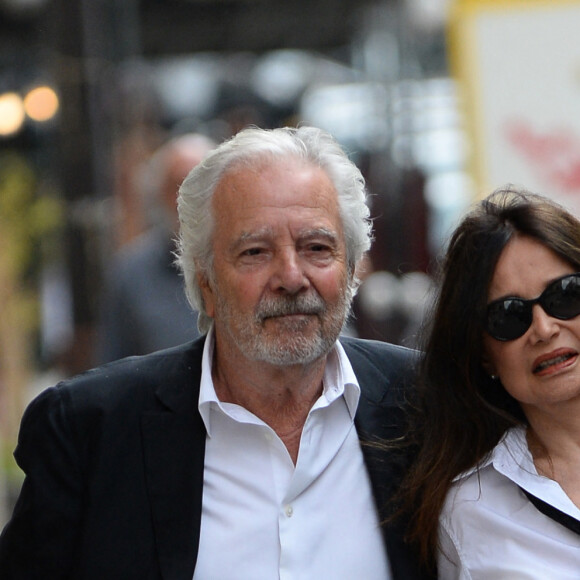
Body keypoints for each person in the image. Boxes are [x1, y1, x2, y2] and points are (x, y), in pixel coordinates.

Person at [0, 126, 428, 579]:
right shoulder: (93, 433)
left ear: (352, 268)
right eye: (255, 252)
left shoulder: (426, 405)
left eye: (317, 248)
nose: (291, 276)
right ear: (205, 282)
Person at [396, 186, 580, 578]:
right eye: (508, 316)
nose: (544, 329)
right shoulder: (470, 509)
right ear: (483, 353)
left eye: (565, 295)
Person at [95, 132, 216, 364]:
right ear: (158, 194)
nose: (189, 200)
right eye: (178, 186)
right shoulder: (130, 273)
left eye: (200, 186)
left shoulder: (244, 260)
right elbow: (111, 362)